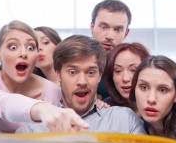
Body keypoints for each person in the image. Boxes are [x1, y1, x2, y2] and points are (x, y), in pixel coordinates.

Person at [0, 20, 89, 133]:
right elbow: (3, 104)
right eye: (13, 47)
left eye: (30, 47)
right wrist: (42, 109)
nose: (23, 53)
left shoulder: (53, 91)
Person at [16, 35, 146, 134]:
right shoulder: (30, 131)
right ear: (58, 74)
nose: (82, 81)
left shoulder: (126, 120)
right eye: (72, 72)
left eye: (90, 72)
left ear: (99, 75)